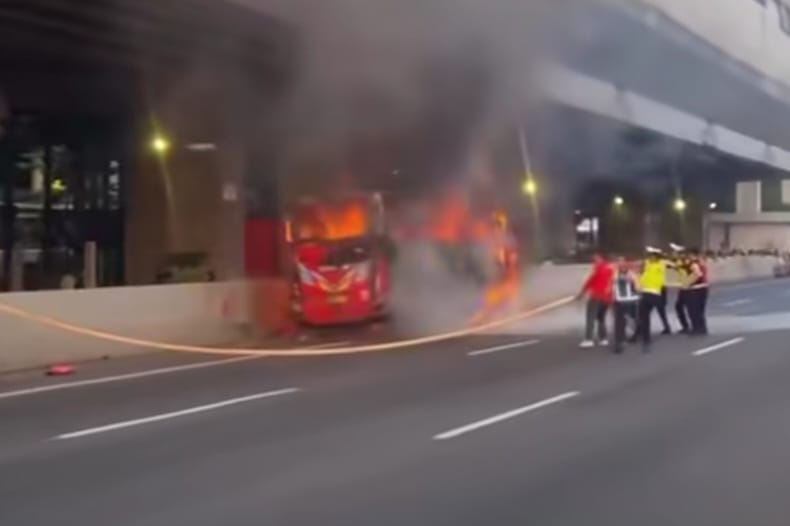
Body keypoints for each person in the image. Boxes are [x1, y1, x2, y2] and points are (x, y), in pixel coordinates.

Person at [577, 254, 614, 348]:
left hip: (596, 297)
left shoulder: (597, 269)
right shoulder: (611, 269)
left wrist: (581, 294)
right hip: (607, 298)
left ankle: (588, 339)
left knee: (590, 318)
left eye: (596, 259)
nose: (594, 261)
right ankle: (603, 339)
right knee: (601, 318)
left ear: (601, 258)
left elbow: (589, 281)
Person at [637, 247, 668, 351]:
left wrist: (656, 252)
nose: (651, 258)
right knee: (643, 315)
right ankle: (645, 338)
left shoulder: (661, 264)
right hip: (646, 292)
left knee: (660, 311)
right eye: (650, 256)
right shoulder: (647, 265)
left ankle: (666, 327)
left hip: (655, 293)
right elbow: (641, 268)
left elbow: (666, 261)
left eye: (653, 256)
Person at [610, 256, 640, 354]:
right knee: (619, 322)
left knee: (632, 320)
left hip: (630, 301)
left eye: (622, 262)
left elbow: (638, 287)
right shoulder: (615, 273)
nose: (620, 264)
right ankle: (619, 342)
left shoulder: (631, 274)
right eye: (618, 261)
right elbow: (612, 286)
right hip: (619, 301)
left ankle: (633, 335)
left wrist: (634, 285)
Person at [685, 247, 710, 335]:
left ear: (692, 255)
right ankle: (702, 328)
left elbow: (698, 274)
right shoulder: (702, 262)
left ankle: (696, 328)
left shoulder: (694, 264)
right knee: (700, 310)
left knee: (693, 310)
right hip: (704, 288)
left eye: (689, 255)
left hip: (696, 289)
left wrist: (688, 282)